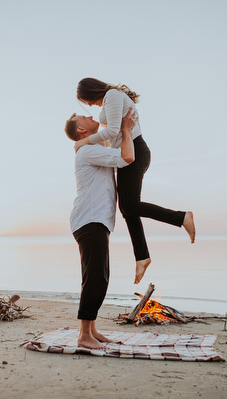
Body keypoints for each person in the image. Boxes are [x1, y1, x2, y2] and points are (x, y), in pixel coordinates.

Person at [74, 77, 196, 285]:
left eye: (88, 101)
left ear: (92, 92)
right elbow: (112, 135)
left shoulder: (112, 95)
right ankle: (142, 257)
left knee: (129, 205)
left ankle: (182, 217)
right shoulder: (111, 99)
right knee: (128, 209)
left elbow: (113, 131)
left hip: (135, 150)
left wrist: (84, 141)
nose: (90, 105)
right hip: (129, 149)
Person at [64, 109, 136, 350]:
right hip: (90, 220)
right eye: (84, 117)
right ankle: (84, 335)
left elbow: (106, 130)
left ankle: (91, 329)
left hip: (96, 220)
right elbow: (126, 157)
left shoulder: (92, 145)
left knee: (98, 277)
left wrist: (113, 122)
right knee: (96, 278)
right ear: (81, 130)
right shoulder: (88, 150)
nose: (90, 115)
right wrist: (126, 129)